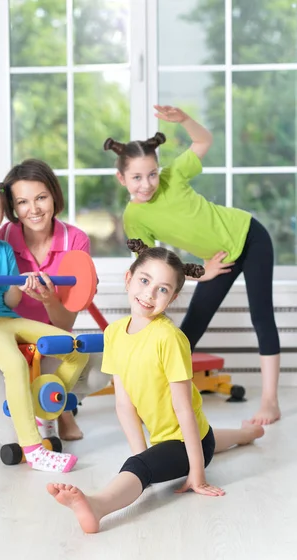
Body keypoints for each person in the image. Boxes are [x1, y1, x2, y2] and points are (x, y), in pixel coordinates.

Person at [47, 240, 265, 533]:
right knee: (199, 440)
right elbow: (124, 404)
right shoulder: (113, 333)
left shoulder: (169, 338)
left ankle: (97, 506)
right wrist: (141, 451)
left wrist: (196, 474)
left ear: (172, 297)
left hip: (189, 439)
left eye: (162, 289)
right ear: (128, 278)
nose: (149, 294)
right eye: (144, 280)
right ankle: (248, 432)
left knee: (150, 465)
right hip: (181, 436)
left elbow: (183, 407)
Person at [103, 105, 281, 426]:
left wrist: (185, 121)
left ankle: (270, 401)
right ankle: (161, 399)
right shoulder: (134, 218)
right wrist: (201, 272)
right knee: (187, 332)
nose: (146, 184)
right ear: (121, 178)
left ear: (160, 169)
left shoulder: (174, 176)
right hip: (218, 260)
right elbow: (153, 264)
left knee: (261, 315)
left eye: (152, 174)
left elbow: (203, 142)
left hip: (249, 236)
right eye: (136, 177)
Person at [0, 180, 89, 472]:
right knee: (14, 362)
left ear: (2, 216)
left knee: (73, 347)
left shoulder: (3, 249)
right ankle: (35, 450)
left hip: (7, 319)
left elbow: (10, 301)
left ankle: (41, 403)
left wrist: (25, 283)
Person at [0, 159, 110, 445]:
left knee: (100, 371)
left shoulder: (76, 240)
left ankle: (60, 407)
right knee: (12, 438)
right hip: (11, 342)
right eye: (23, 202)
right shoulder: (0, 240)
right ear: (13, 207)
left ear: (54, 195)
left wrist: (50, 300)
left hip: (52, 340)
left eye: (41, 197)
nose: (34, 209)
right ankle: (54, 408)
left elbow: (65, 323)